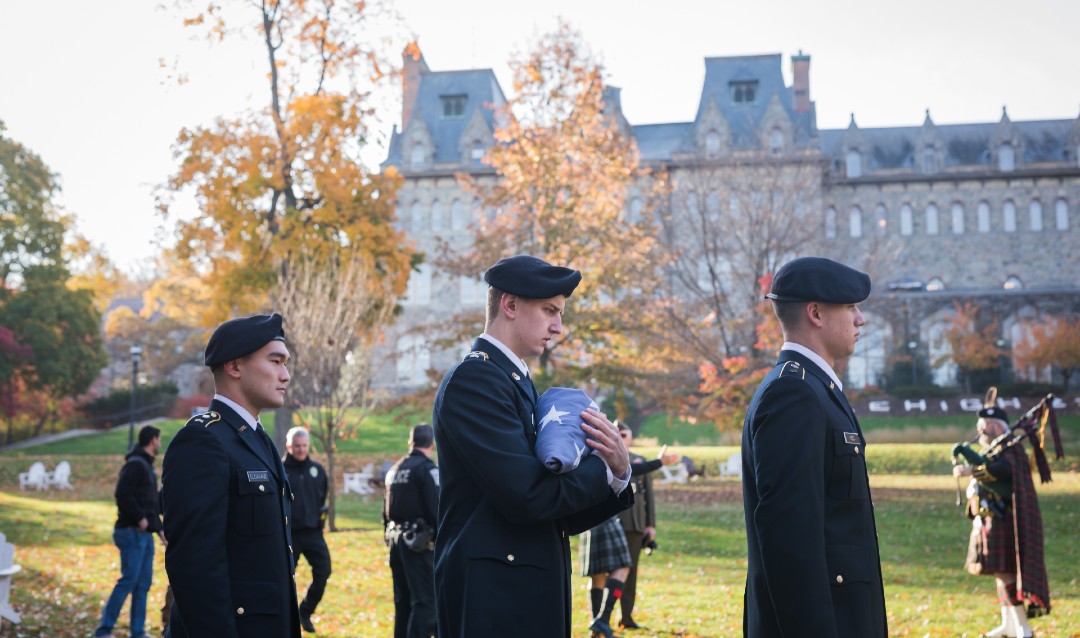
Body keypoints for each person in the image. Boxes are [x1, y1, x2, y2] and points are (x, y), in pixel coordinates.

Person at [432, 254, 634, 638]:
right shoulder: (475, 381)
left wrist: (620, 476)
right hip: (493, 602)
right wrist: (605, 468)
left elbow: (557, 516)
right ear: (509, 305)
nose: (558, 327)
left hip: (520, 595)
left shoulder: (513, 382)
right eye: (549, 311)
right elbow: (528, 497)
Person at [741, 256, 887, 638]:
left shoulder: (814, 389)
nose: (861, 319)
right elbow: (789, 540)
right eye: (851, 306)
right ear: (816, 313)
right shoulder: (794, 393)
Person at [161, 313, 301, 638]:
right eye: (276, 362)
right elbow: (195, 570)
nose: (286, 375)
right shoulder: (203, 441)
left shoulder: (257, 439)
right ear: (235, 367)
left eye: (286, 363)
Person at [952, 402, 1049, 638]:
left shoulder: (1011, 449)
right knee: (999, 573)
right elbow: (988, 466)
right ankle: (1008, 626)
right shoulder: (996, 448)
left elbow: (1002, 472)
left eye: (984, 426)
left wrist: (971, 471)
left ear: (996, 426)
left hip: (1007, 518)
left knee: (1007, 573)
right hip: (989, 518)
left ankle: (1024, 629)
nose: (981, 430)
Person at [94, 425, 164, 638]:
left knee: (143, 584)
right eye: (158, 440)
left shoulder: (147, 467)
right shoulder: (136, 465)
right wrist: (141, 519)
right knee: (129, 581)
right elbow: (122, 494)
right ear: (152, 440)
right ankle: (104, 630)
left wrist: (160, 531)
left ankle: (138, 632)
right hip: (130, 532)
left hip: (144, 535)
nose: (159, 444)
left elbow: (151, 505)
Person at [612, 422, 680, 631]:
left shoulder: (639, 461)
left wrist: (650, 524)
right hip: (612, 523)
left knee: (630, 572)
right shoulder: (607, 457)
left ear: (631, 437)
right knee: (609, 571)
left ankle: (626, 616)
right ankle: (602, 617)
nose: (622, 438)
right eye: (618, 434)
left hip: (635, 523)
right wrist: (659, 462)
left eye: (625, 434)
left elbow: (648, 496)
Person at [384, 424, 440, 638]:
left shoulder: (395, 469)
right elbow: (435, 509)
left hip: (395, 541)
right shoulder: (427, 469)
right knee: (425, 601)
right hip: (418, 544)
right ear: (432, 445)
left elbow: (385, 511)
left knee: (403, 601)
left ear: (411, 443)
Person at [283, 427, 332, 633]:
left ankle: (305, 611)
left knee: (324, 571)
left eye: (304, 445)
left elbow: (322, 499)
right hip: (288, 534)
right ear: (289, 446)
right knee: (284, 579)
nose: (301, 450)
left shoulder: (317, 470)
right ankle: (286, 619)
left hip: (313, 532)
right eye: (297, 446)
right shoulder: (279, 470)